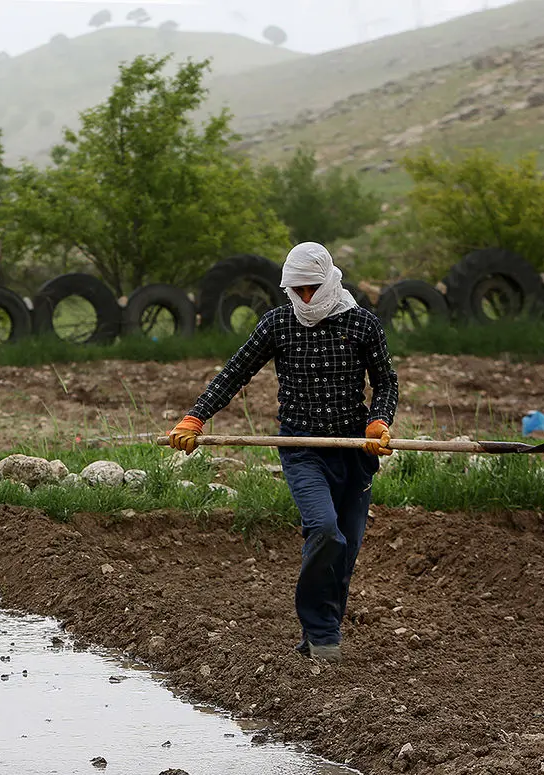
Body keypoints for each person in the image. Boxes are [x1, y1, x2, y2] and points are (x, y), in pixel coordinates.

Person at [167, 242, 399, 663]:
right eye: (297, 290)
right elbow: (235, 372)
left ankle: (319, 636)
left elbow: (386, 381)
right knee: (325, 531)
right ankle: (323, 633)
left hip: (355, 450)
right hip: (300, 448)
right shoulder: (277, 324)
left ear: (328, 280)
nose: (305, 298)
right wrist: (195, 418)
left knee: (344, 554)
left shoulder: (362, 324)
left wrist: (379, 421)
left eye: (312, 288)